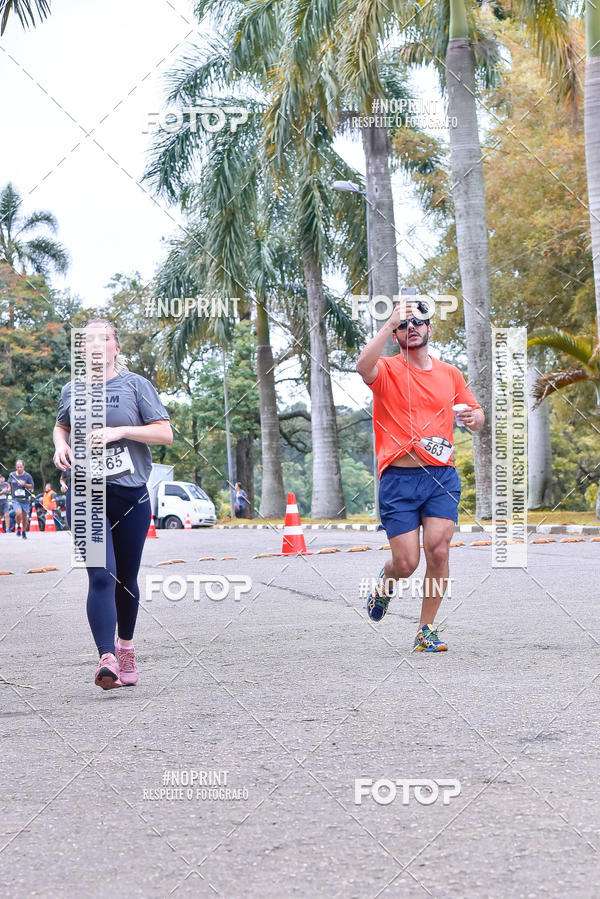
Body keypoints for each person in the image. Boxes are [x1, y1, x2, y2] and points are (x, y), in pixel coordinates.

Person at [357, 298, 484, 652]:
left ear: (430, 328)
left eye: (417, 323)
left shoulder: (449, 374)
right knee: (407, 562)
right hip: (399, 479)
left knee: (439, 550)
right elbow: (361, 366)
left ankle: (425, 629)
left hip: (441, 476)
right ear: (395, 335)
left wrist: (476, 418)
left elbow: (475, 412)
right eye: (402, 325)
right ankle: (386, 582)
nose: (411, 328)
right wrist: (387, 323)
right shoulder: (386, 370)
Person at [53, 319, 173, 690]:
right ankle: (106, 658)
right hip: (86, 493)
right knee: (100, 575)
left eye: (102, 339)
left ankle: (126, 648)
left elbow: (164, 433)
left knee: (126, 578)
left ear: (115, 347)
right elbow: (62, 426)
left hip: (130, 494)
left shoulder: (135, 385)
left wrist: (120, 431)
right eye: (87, 340)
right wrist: (61, 445)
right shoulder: (72, 389)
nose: (94, 345)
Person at [8, 459, 35, 539]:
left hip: (25, 499)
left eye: (20, 467)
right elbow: (9, 482)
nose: (19, 468)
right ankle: (18, 526)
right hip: (15, 499)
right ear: (15, 467)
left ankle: (23, 531)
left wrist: (24, 484)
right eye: (17, 467)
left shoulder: (27, 476)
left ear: (23, 467)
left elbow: (32, 486)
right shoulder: (12, 475)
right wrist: (9, 488)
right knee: (18, 513)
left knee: (24, 517)